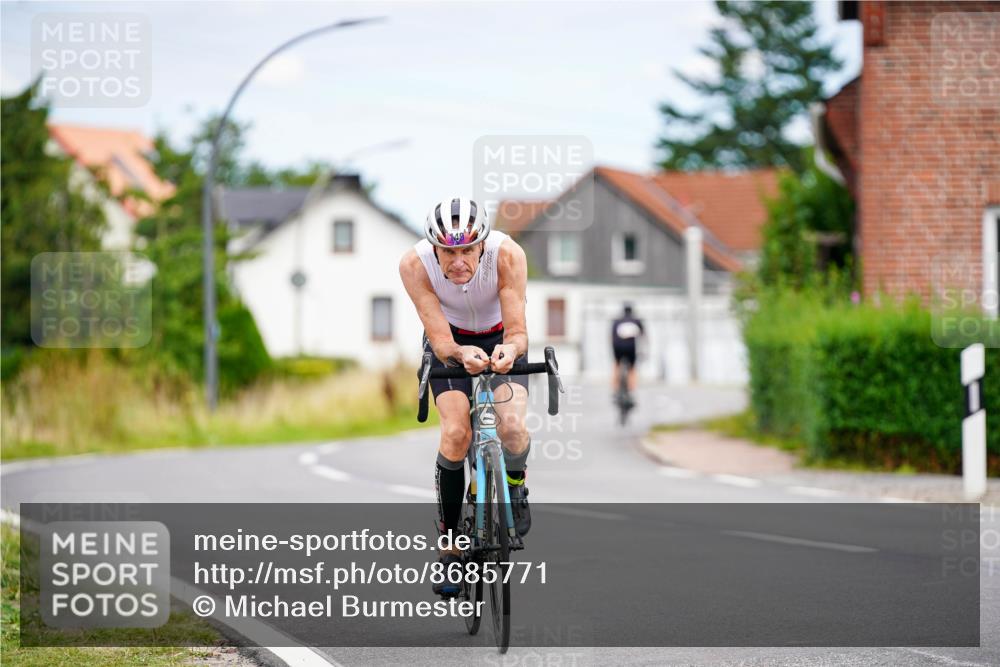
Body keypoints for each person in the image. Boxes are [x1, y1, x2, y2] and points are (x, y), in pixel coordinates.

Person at [399, 197, 531, 598]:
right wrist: (458, 353)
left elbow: (518, 331)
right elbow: (438, 336)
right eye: (448, 252)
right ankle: (450, 549)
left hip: (500, 334)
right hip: (451, 342)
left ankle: (516, 481)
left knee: (512, 427)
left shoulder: (507, 254)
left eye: (467, 250)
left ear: (481, 246)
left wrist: (509, 351)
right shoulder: (413, 265)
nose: (458, 261)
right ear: (434, 250)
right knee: (456, 434)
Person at [611, 304, 644, 402]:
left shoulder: (617, 321)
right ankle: (631, 388)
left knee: (617, 365)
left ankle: (615, 387)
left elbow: (612, 336)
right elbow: (643, 334)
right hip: (631, 348)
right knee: (632, 368)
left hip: (617, 347)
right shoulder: (636, 321)